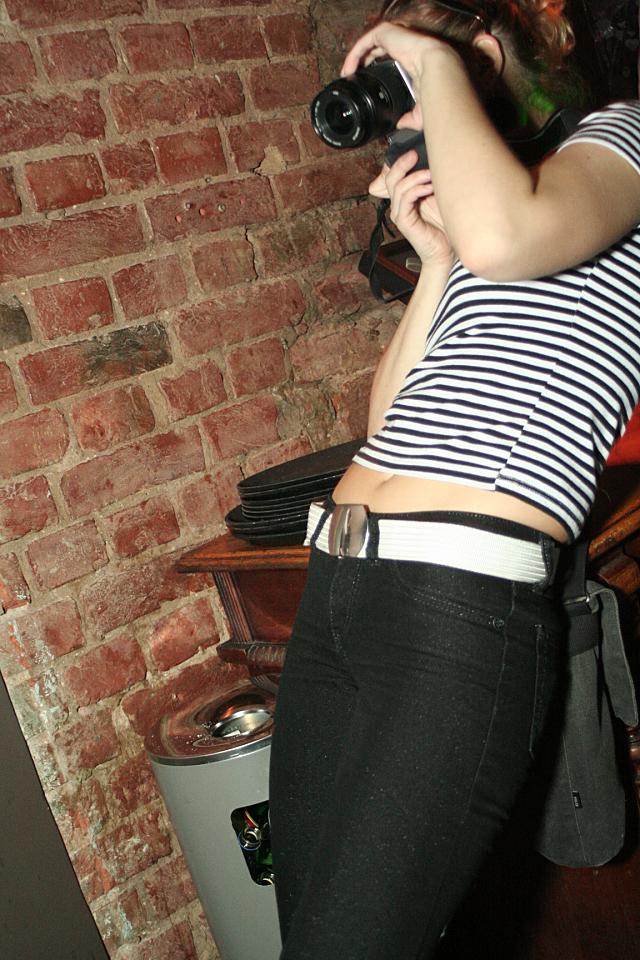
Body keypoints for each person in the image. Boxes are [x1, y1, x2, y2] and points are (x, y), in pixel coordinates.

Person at [268, 2, 640, 958]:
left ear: (479, 50)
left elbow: (509, 239)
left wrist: (432, 70)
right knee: (307, 932)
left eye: (416, 59)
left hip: (455, 608)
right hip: (342, 586)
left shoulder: (619, 140)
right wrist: (432, 263)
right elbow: (386, 426)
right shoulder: (482, 216)